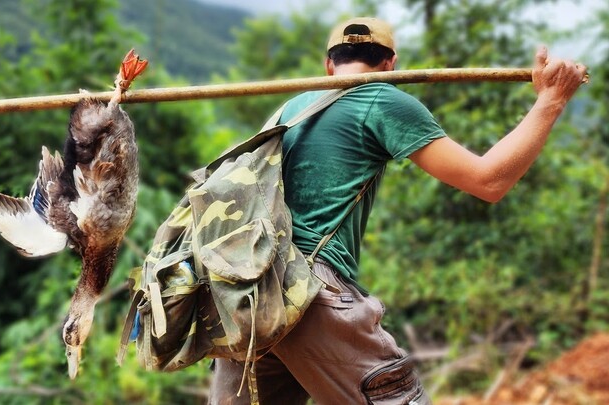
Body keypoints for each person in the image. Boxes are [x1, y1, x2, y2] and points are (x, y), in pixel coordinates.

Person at [208, 16, 587, 405]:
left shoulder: (289, 109)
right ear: (391, 64)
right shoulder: (383, 99)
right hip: (306, 291)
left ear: (329, 64)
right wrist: (551, 101)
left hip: (247, 293)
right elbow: (488, 182)